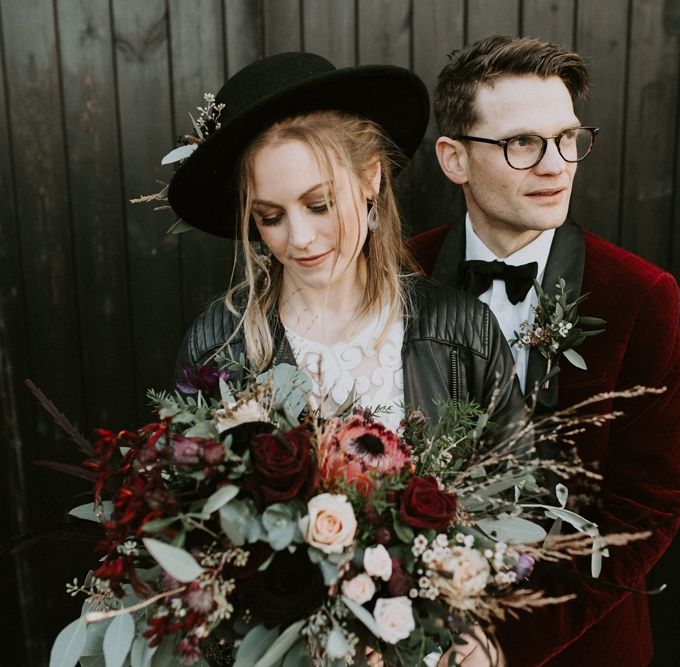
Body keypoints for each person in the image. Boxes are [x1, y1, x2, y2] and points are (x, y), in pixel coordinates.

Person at [169, 51, 521, 665]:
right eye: (270, 217)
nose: (297, 239)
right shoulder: (219, 346)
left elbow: (513, 497)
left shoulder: (460, 330)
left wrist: (474, 624)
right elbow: (185, 525)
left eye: (320, 204)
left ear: (372, 179)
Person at [408, 35, 680, 666]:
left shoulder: (640, 296)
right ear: (454, 159)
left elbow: (647, 503)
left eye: (568, 139)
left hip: (582, 644)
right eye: (522, 143)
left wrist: (505, 647)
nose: (557, 165)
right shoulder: (399, 276)